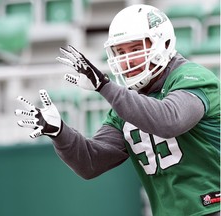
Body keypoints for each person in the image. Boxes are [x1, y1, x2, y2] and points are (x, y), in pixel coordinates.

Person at [15, 4, 220, 216]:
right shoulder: (127, 104)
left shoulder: (193, 78)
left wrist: (105, 86)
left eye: (136, 49)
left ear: (163, 43)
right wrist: (59, 132)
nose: (127, 60)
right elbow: (91, 162)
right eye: (120, 52)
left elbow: (170, 120)